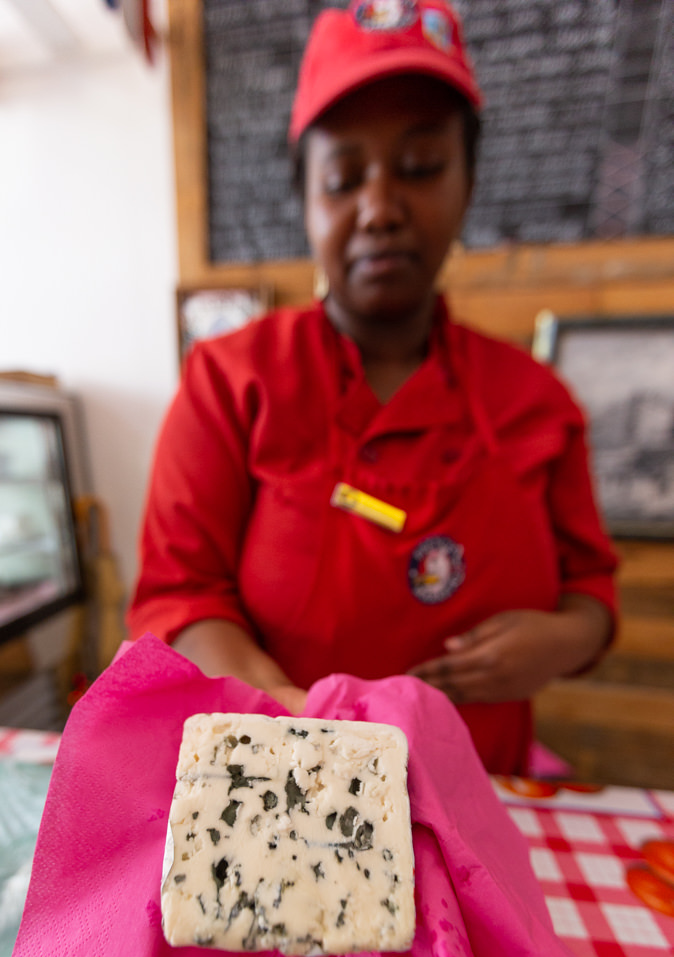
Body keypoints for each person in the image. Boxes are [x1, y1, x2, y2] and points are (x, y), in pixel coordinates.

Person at [127, 0, 618, 776]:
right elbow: (181, 598)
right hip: (287, 788)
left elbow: (592, 591)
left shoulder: (537, 400)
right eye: (344, 178)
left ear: (468, 179)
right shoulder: (230, 381)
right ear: (306, 200)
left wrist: (563, 638)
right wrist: (289, 715)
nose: (381, 209)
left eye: (420, 168)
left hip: (481, 787)